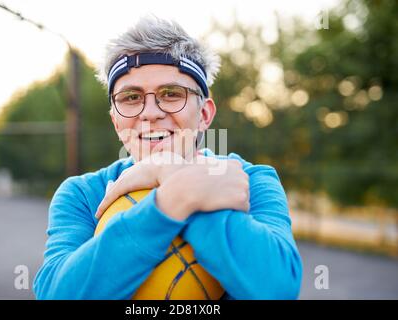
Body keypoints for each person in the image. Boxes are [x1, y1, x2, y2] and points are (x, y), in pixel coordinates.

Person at [33, 16, 302, 300]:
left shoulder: (250, 179)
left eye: (172, 94)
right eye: (131, 98)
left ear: (204, 115)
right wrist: (171, 201)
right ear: (115, 121)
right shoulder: (84, 194)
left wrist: (172, 172)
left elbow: (278, 289)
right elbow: (56, 294)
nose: (150, 112)